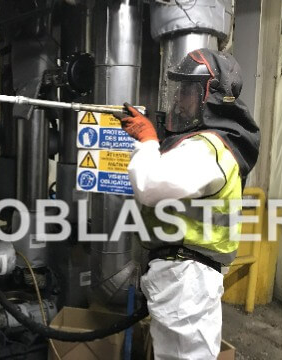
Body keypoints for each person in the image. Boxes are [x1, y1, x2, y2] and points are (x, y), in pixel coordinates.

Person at [114, 48, 261, 359]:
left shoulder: (209, 148)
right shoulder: (206, 143)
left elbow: (150, 185)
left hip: (187, 278)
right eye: (178, 89)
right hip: (183, 277)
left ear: (212, 97)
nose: (179, 99)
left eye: (188, 91)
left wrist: (148, 141)